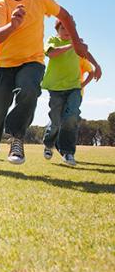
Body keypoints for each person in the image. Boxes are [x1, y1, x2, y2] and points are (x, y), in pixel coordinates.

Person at [0, 0, 95, 172]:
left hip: (33, 61)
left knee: (29, 89)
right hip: (5, 65)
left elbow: (65, 16)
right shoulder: (1, 4)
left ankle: (17, 138)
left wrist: (76, 42)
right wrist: (12, 24)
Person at [41, 19, 101, 165]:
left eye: (70, 28)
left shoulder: (77, 44)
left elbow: (86, 53)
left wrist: (96, 65)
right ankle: (49, 144)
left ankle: (68, 152)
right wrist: (72, 45)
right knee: (55, 120)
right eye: (63, 28)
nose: (67, 31)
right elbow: (52, 53)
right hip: (55, 88)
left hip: (74, 87)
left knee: (71, 117)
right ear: (57, 30)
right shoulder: (52, 40)